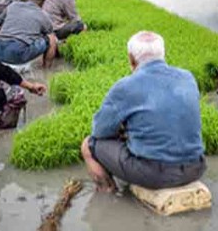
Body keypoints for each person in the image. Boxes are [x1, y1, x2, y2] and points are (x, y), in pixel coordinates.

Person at [81, 31, 206, 192]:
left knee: (88, 145)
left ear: (131, 59)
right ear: (163, 54)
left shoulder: (126, 86)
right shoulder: (187, 77)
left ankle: (107, 193)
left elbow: (99, 131)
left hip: (155, 174)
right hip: (196, 167)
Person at [0, 0, 57, 67]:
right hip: (18, 53)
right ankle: (46, 71)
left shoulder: (13, 5)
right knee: (51, 38)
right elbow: (50, 37)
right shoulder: (43, 15)